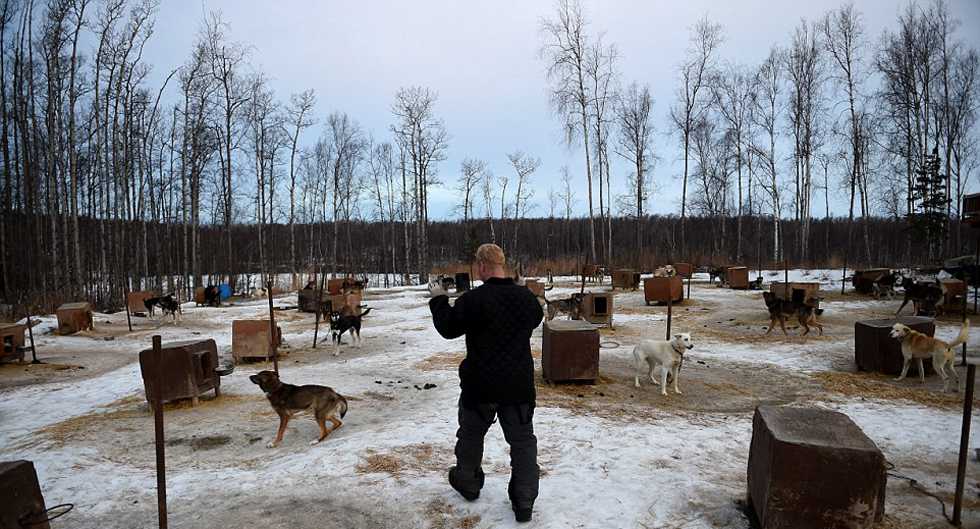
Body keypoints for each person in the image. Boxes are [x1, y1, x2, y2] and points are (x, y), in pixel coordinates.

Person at [428, 243, 544, 523]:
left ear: (481, 266)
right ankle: (525, 499)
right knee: (522, 442)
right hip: (517, 387)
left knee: (470, 434)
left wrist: (439, 298)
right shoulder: (524, 298)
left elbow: (447, 327)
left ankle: (467, 481)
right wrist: (521, 291)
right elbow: (537, 316)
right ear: (503, 265)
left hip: (480, 385)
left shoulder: (474, 299)